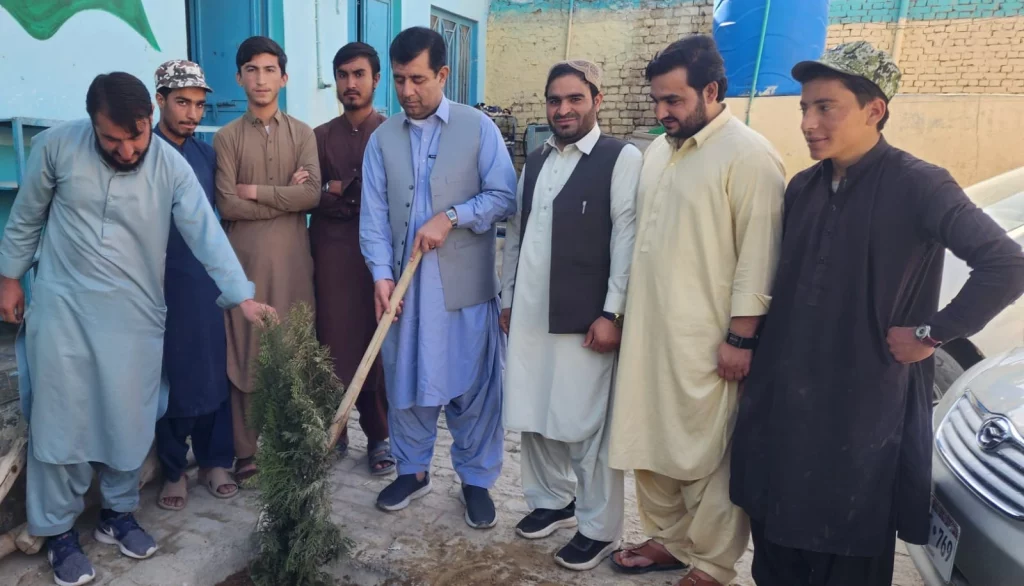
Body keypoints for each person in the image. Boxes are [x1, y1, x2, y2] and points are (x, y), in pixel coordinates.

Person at [729, 41, 1024, 586]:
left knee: (846, 545)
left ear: (874, 110)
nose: (809, 122)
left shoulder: (919, 183)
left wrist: (932, 332)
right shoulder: (804, 186)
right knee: (774, 534)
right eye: (804, 107)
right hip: (785, 403)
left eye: (826, 107)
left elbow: (1005, 263)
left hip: (862, 409)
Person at [0, 71, 273, 586]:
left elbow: (205, 233)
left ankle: (117, 516)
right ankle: (59, 533)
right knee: (63, 422)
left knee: (130, 420)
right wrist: (10, 278)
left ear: (150, 116)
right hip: (64, 311)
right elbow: (27, 216)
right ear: (92, 124)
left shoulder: (170, 165)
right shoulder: (56, 148)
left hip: (136, 314)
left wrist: (241, 296)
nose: (127, 150)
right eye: (112, 140)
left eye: (138, 135)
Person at [607, 35, 787, 586]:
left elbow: (761, 256)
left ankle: (711, 561)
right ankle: (671, 540)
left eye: (674, 101)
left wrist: (741, 338)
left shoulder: (751, 156)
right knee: (649, 439)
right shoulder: (658, 150)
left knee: (708, 452)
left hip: (708, 342)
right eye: (657, 100)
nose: (662, 113)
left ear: (711, 90)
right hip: (648, 333)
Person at [360, 26, 517, 528]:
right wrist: (381, 277)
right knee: (406, 381)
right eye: (401, 80)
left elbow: (504, 197)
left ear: (443, 75)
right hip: (405, 293)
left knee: (472, 387)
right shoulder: (382, 138)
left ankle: (475, 480)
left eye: (419, 80)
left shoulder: (478, 128)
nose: (408, 92)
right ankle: (413, 471)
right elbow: (374, 216)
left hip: (463, 288)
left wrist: (450, 216)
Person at [500, 59, 641, 571]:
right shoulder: (535, 160)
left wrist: (613, 313)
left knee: (585, 423)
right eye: (554, 100)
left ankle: (598, 528)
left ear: (596, 100)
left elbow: (626, 239)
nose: (563, 109)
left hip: (586, 318)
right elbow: (517, 233)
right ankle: (551, 501)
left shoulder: (620, 157)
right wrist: (508, 299)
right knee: (535, 413)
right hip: (532, 313)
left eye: (574, 99)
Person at [214, 35, 321, 485]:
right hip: (246, 264)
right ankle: (246, 452)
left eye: (269, 69)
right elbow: (225, 204)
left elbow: (313, 193)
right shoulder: (226, 137)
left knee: (294, 345)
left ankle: (291, 443)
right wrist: (288, 197)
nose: (261, 79)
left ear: (284, 76)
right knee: (246, 350)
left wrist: (257, 190)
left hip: (295, 261)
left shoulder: (303, 133)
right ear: (239, 77)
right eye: (251, 70)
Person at [149, 59, 239, 512]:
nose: (192, 114)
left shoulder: (206, 156)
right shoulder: (142, 154)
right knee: (171, 372)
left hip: (203, 281)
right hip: (156, 284)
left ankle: (215, 459)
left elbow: (223, 211)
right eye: (182, 102)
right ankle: (172, 468)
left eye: (200, 105)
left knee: (210, 365)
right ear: (159, 100)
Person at [311, 42, 394, 475]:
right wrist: (336, 194)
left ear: (376, 79)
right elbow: (311, 195)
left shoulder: (393, 133)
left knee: (378, 341)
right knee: (333, 339)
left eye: (359, 74)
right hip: (332, 251)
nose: (350, 83)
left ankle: (379, 435)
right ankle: (335, 427)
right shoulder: (320, 136)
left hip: (380, 253)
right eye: (342, 75)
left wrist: (338, 190)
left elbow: (394, 198)